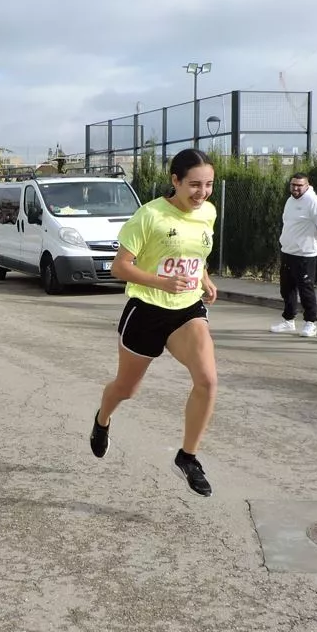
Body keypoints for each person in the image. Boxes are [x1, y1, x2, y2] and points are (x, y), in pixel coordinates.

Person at [89, 148, 219, 497]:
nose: (201, 193)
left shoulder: (208, 212)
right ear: (175, 181)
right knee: (126, 389)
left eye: (208, 185)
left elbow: (195, 254)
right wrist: (162, 282)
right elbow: (120, 267)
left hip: (186, 309)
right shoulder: (149, 216)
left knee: (207, 380)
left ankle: (188, 456)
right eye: (194, 185)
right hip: (146, 310)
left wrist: (204, 278)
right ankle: (102, 420)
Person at [270, 172, 317, 337]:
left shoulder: (315, 203)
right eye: (293, 185)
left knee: (306, 290)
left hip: (305, 255)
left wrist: (311, 244)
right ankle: (288, 320)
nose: (296, 188)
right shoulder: (290, 201)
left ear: (307, 185)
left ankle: (310, 323)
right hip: (287, 252)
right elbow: (286, 222)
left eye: (299, 185)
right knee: (287, 289)